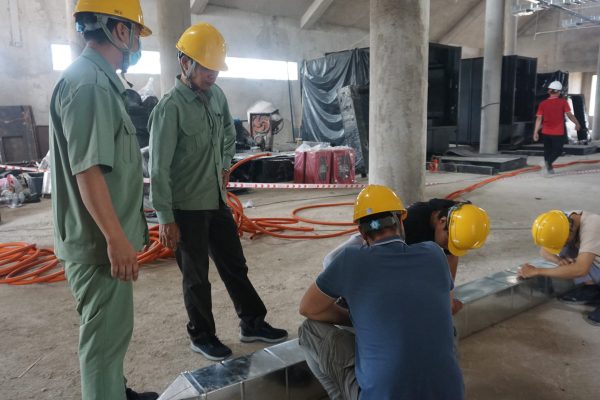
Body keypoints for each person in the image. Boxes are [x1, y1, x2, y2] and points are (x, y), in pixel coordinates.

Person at [148, 23, 287, 362]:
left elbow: (228, 131)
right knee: (196, 277)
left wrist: (225, 162)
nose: (212, 75)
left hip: (215, 199)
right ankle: (202, 335)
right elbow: (158, 169)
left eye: (215, 68)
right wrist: (165, 217)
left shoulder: (217, 96)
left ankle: (252, 322)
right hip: (186, 208)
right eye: (206, 68)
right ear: (185, 64)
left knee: (234, 264)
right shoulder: (170, 108)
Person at [49, 1, 157, 399]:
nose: (135, 43)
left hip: (101, 243)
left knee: (109, 335)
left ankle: (116, 391)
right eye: (133, 31)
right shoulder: (90, 85)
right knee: (102, 346)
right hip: (99, 247)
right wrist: (115, 238)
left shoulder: (97, 80)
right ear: (118, 30)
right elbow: (88, 170)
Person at [299, 185, 464, 400]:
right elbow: (447, 306)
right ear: (401, 221)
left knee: (308, 330)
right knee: (448, 331)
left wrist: (356, 319)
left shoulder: (350, 259)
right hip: (449, 395)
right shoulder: (434, 254)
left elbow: (307, 308)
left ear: (360, 232)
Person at [323, 198, 490, 315]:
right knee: (331, 260)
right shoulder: (411, 222)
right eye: (448, 241)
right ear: (442, 221)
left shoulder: (459, 220)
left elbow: (451, 255)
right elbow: (386, 258)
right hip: (379, 242)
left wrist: (448, 297)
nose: (448, 247)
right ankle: (346, 298)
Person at [519, 210, 600, 326]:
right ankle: (594, 289)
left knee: (578, 264)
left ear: (569, 232)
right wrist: (559, 260)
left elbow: (581, 270)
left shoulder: (593, 226)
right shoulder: (560, 221)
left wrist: (537, 271)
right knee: (567, 252)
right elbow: (544, 251)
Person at [533, 80, 581, 175]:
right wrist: (577, 123)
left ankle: (548, 166)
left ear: (549, 91)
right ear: (559, 92)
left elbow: (539, 119)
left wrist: (535, 132)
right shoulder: (563, 102)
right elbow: (570, 115)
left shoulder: (543, 103)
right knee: (558, 150)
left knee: (547, 150)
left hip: (545, 132)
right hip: (557, 132)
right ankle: (548, 164)